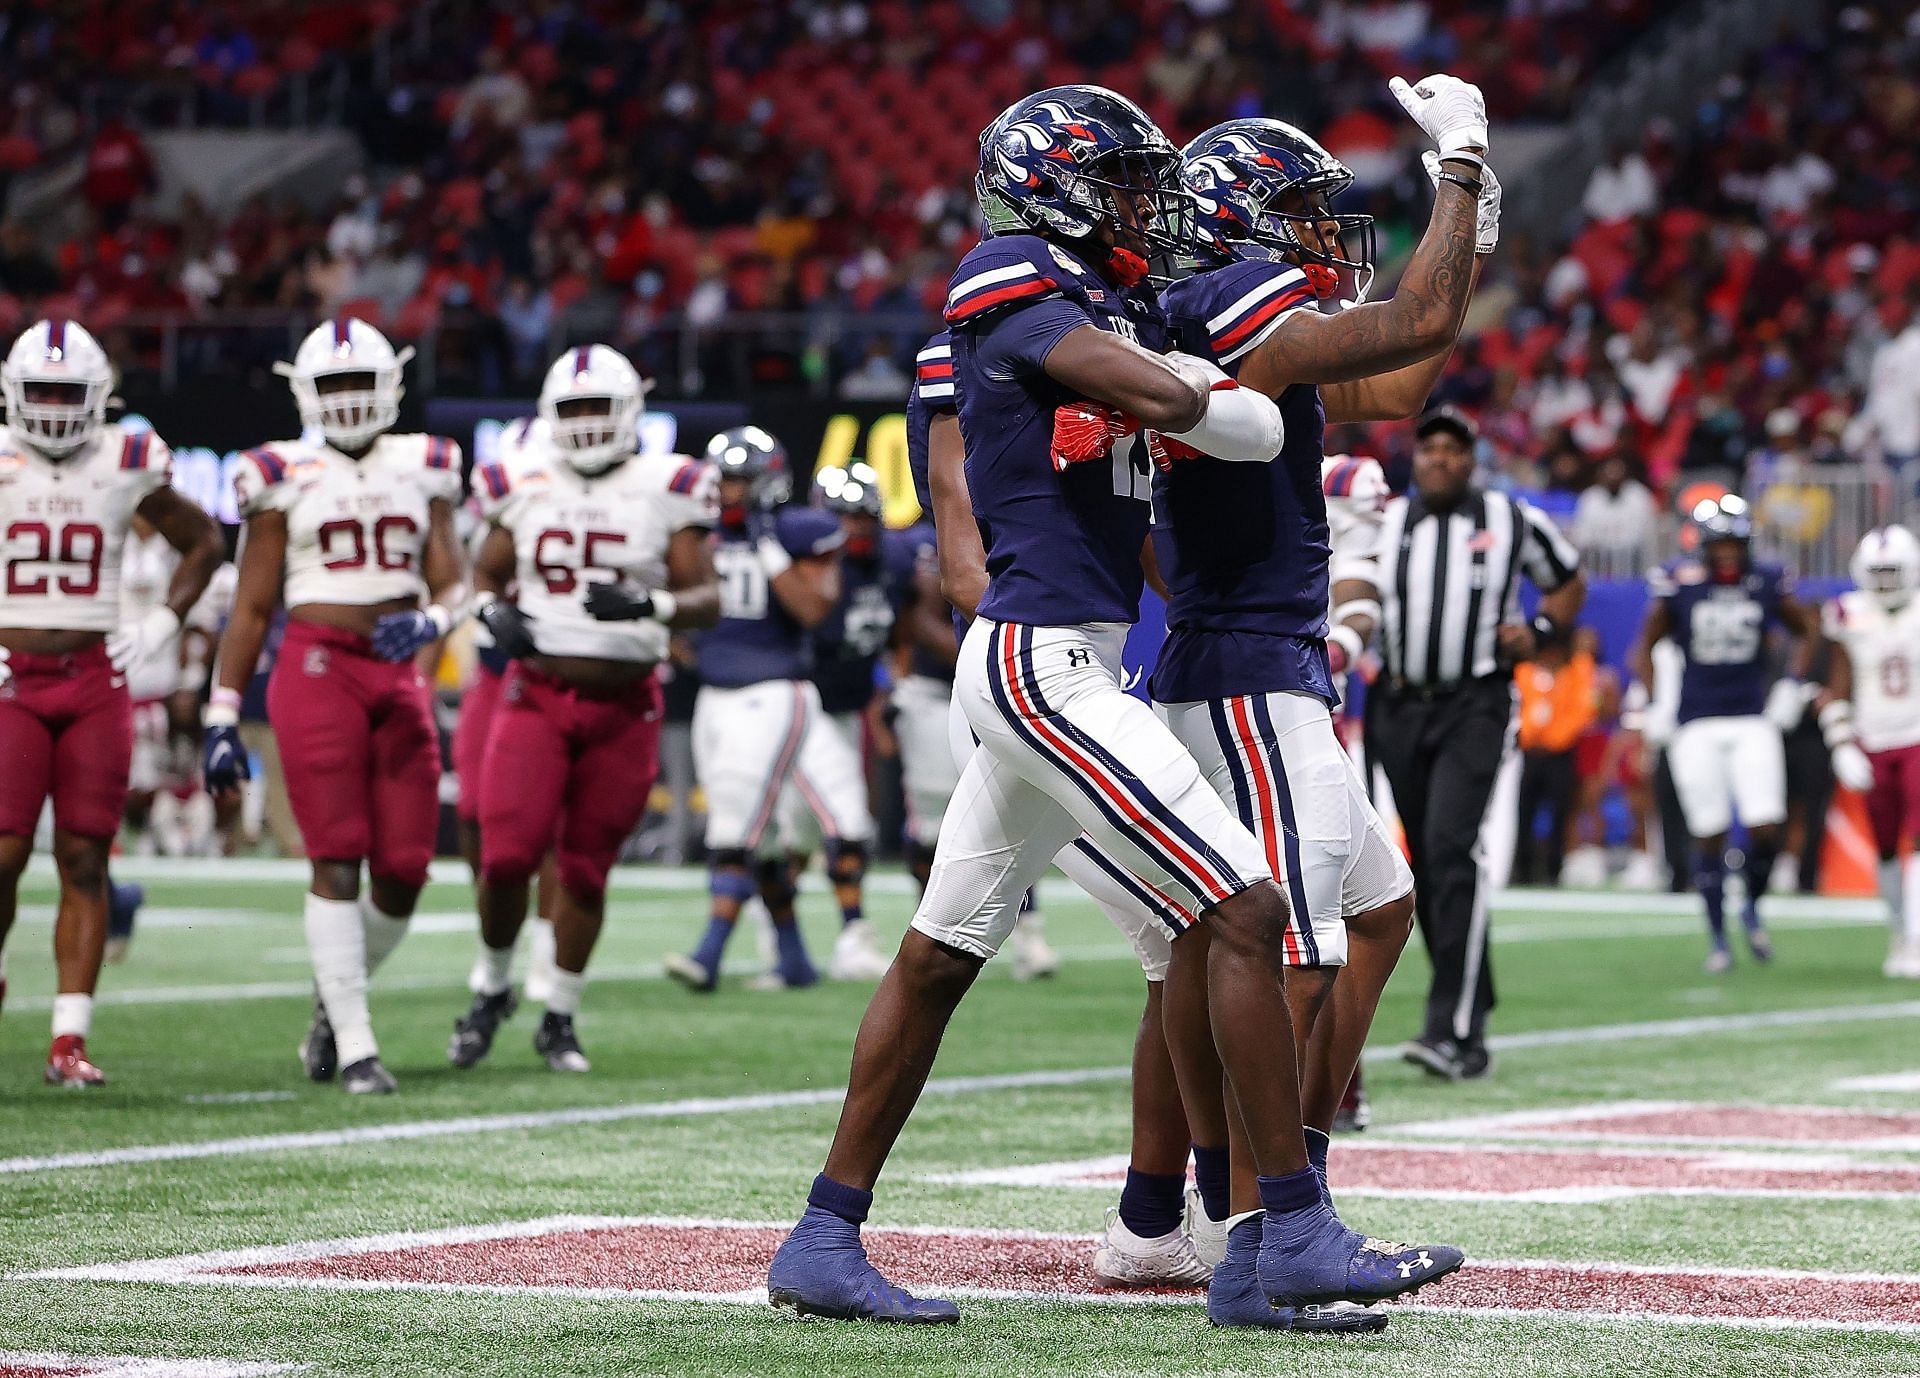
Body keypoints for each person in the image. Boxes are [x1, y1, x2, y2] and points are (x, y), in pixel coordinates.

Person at [767, 84, 1454, 1328]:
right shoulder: (1011, 272)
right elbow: (1127, 384)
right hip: (1040, 661)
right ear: (1059, 186)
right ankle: (1283, 1227)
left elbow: (1193, 388)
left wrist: (1201, 384)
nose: (1154, 206)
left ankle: (827, 1230)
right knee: (1242, 907)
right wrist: (1211, 400)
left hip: (1068, 657)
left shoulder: (1123, 297)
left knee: (937, 957)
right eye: (1130, 183)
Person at [1142, 98, 1492, 1322]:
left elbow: (1395, 379)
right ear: (1238, 215)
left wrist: (1474, 221)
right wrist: (1458, 169)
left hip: (1249, 655)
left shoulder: (1224, 316)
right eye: (1298, 209)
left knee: (1377, 906)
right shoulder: (1222, 295)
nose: (1318, 235)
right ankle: (1268, 1231)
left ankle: (1270, 1210)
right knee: (1290, 947)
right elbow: (1419, 318)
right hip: (1245, 671)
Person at [203, 317, 468, 1095]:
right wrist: (222, 714)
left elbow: (454, 581)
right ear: (306, 393)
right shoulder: (281, 471)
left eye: (361, 383)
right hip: (318, 664)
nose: (349, 399)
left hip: (395, 671)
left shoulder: (426, 464)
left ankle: (334, 997)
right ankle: (355, 1046)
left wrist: (434, 622)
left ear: (390, 386)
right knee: (337, 853)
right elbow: (251, 608)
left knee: (406, 872)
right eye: (335, 385)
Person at [449, 344, 719, 1071]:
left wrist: (651, 601)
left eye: (600, 405)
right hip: (536, 694)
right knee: (505, 856)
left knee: (587, 869)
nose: (588, 421)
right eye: (574, 408)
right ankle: (492, 986)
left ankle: (559, 1014)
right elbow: (485, 571)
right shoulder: (523, 480)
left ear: (631, 410)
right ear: (548, 416)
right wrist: (487, 610)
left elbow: (708, 598)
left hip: (626, 704)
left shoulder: (670, 484)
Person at [0, 319, 220, 1086]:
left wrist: (162, 620)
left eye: (70, 393)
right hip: (11, 679)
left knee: (86, 854)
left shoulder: (127, 456)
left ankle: (69, 1039)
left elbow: (204, 540)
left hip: (96, 676)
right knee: (2, 853)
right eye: (42, 393)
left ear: (99, 397)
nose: (57, 409)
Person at [1368, 406, 1585, 1078]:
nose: (1441, 459)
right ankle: (1471, 1005)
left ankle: (1453, 1028)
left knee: (1450, 848)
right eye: (1429, 447)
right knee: (1423, 866)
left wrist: (1542, 633)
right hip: (1399, 701)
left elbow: (1568, 579)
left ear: (1471, 460)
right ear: (1416, 457)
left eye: (1454, 449)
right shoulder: (1384, 520)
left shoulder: (1510, 518)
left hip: (1476, 702)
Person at [665, 426, 844, 992]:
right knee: (759, 841)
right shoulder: (699, 535)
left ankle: (708, 955)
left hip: (773, 691)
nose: (730, 492)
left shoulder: (796, 532)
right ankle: (793, 960)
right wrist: (694, 654)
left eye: (740, 480)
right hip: (714, 694)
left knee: (732, 827)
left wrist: (767, 546)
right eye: (723, 481)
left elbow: (815, 609)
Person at [1629, 494, 1818, 975]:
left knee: (1765, 825)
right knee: (1708, 831)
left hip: (1752, 715)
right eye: (1721, 545)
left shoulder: (1767, 580)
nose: (1729, 554)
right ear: (1705, 548)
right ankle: (1717, 935)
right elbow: (1645, 646)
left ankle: (1751, 904)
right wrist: (1654, 702)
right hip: (1697, 719)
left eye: (1735, 544)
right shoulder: (1681, 583)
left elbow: (1807, 630)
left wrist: (1793, 684)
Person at [773, 461, 891, 983]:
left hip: (845, 712)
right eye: (844, 517)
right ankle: (838, 934)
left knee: (804, 835)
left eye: (864, 517)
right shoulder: (799, 567)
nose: (854, 530)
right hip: (800, 713)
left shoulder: (897, 561)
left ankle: (793, 940)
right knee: (820, 827)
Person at [1818, 526, 1920, 977]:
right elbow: (1836, 682)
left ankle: (1917, 938)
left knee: (1918, 840)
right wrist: (1840, 741)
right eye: (1876, 572)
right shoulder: (1848, 613)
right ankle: (1900, 932)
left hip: (1917, 735)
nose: (1883, 581)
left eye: (1891, 571)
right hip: (1873, 739)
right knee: (1884, 846)